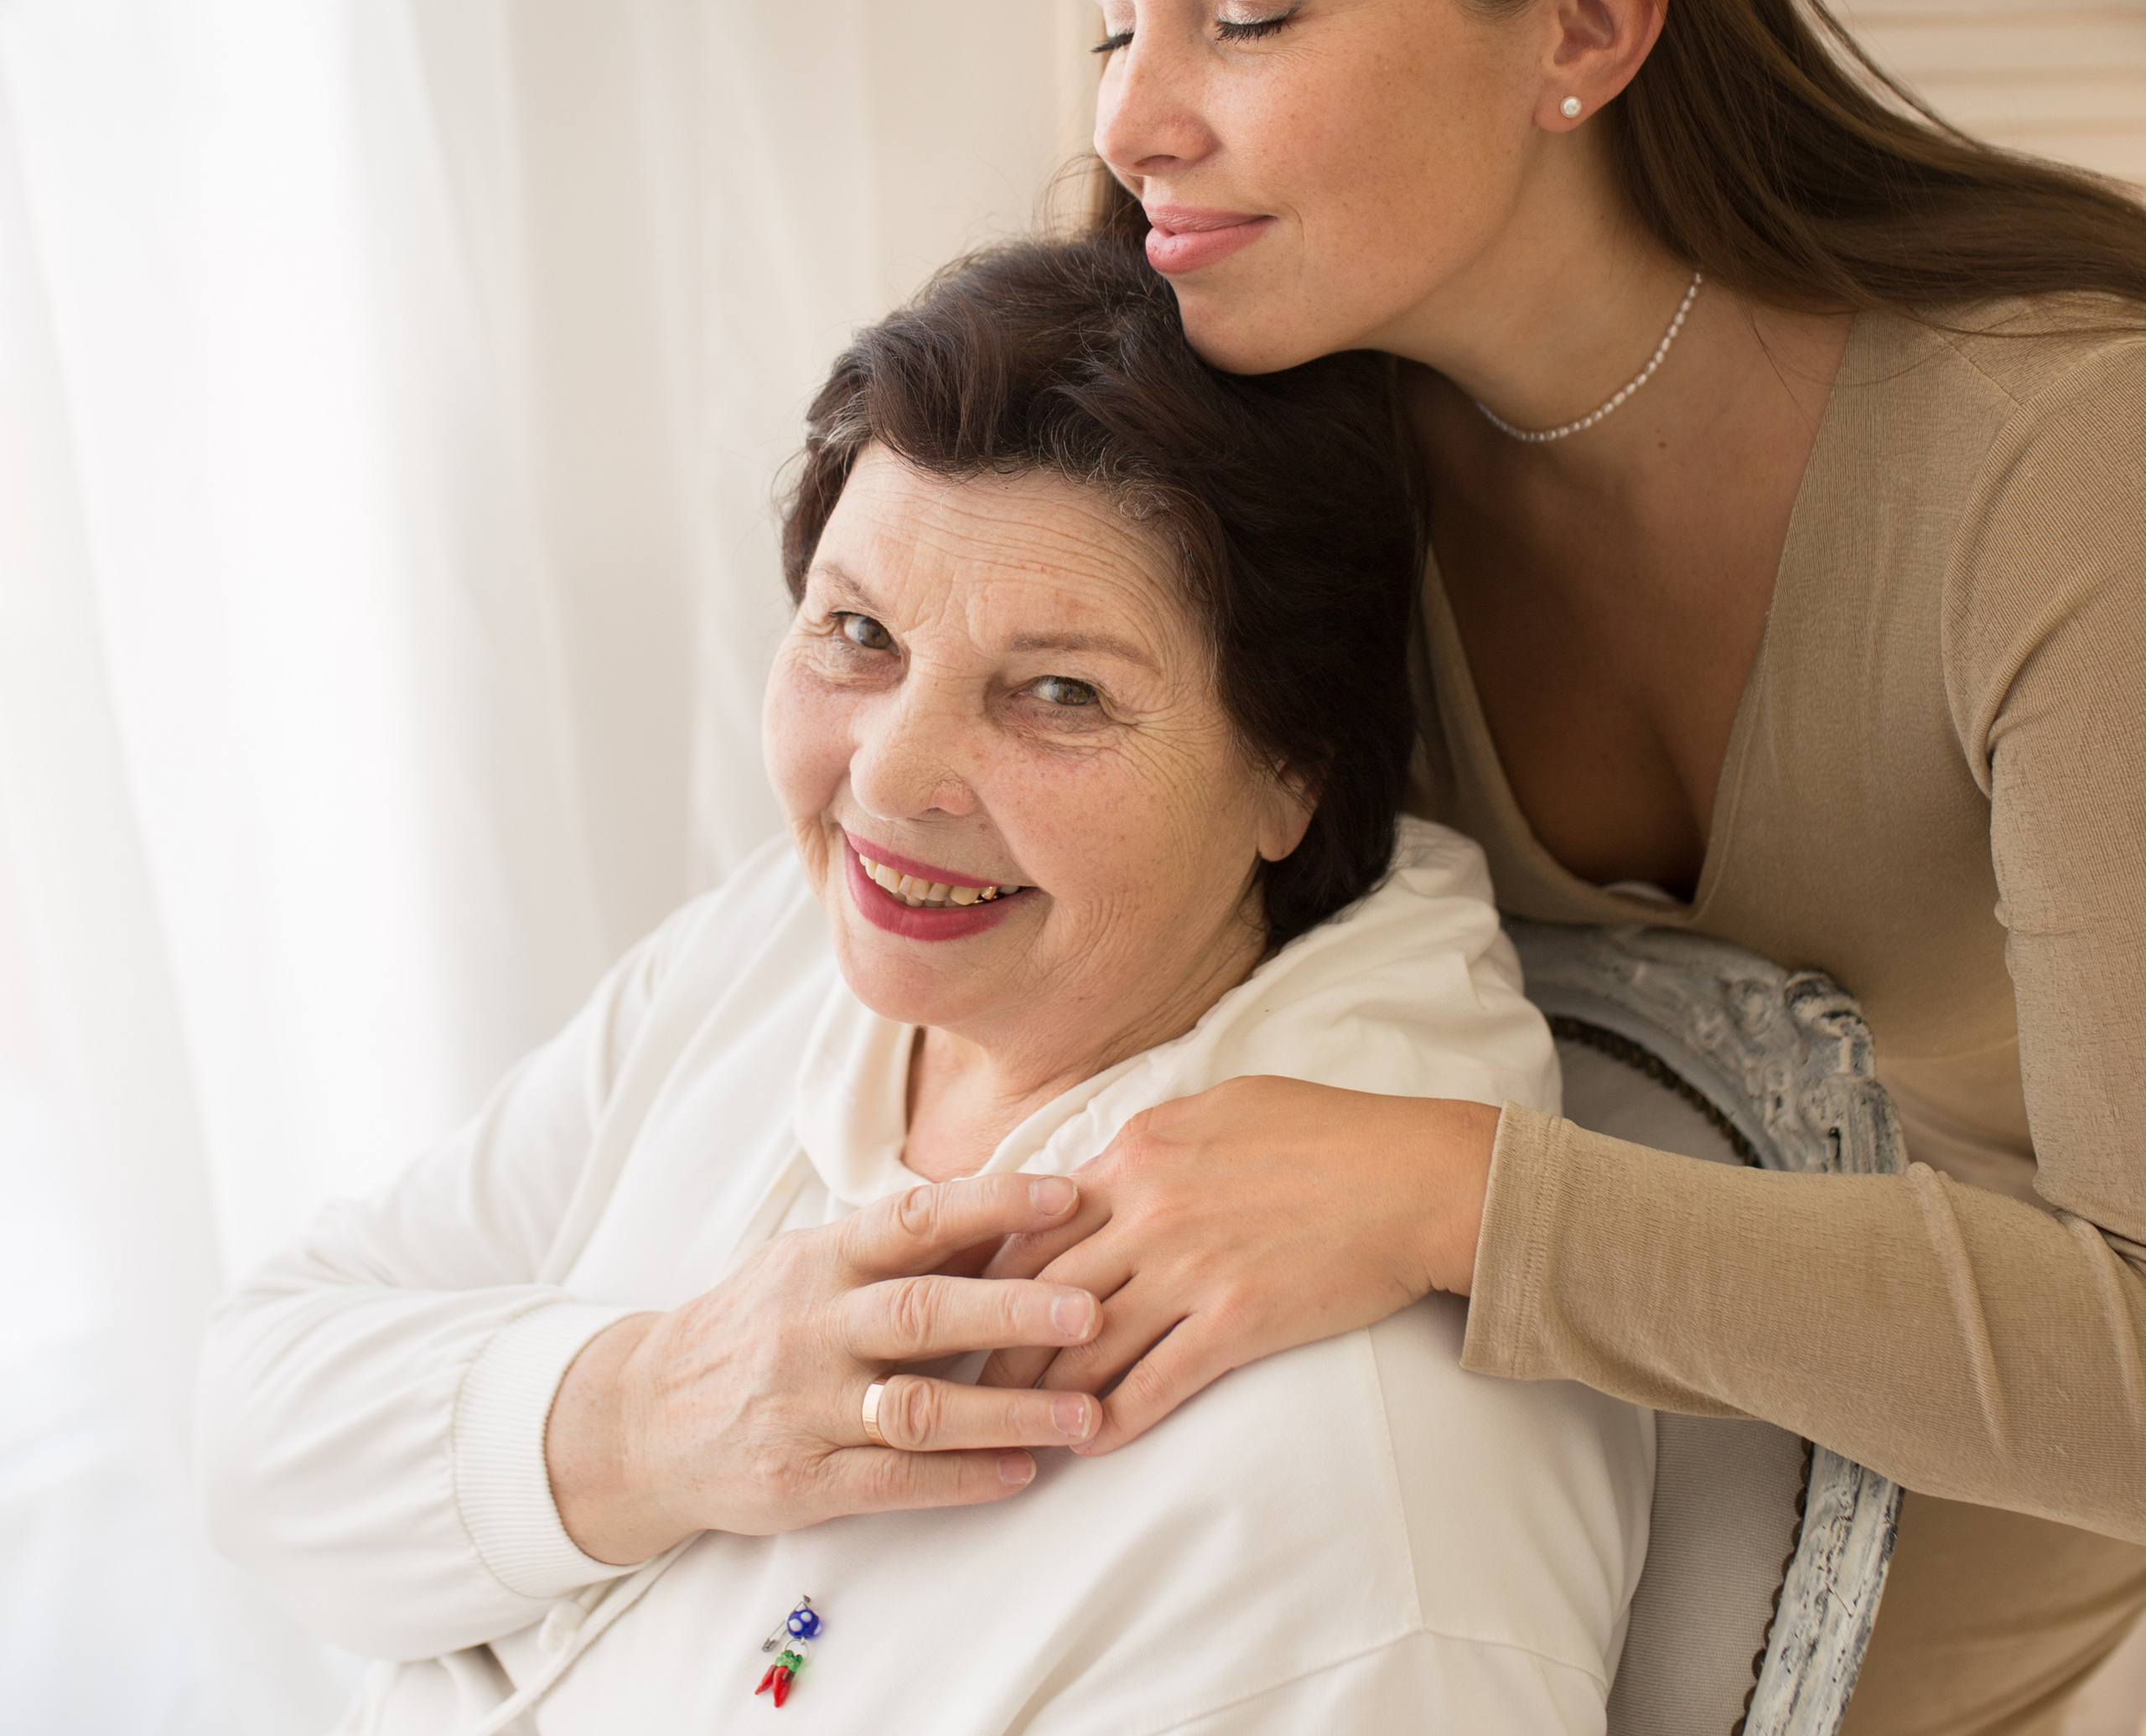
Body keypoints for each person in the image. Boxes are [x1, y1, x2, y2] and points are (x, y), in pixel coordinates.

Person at [982, 0, 2146, 1730]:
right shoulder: (1268, 458)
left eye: (1239, 15)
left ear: (1585, 25)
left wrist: (1451, 1198)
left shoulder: (2062, 460)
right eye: (1104, 24)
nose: (1133, 117)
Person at [200, 237, 1653, 1733]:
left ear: (1293, 772)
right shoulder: (784, 950)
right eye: (858, 633)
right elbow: (256, 1419)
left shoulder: (1355, 1500)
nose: (886, 778)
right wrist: (643, 1417)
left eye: (1061, 691)